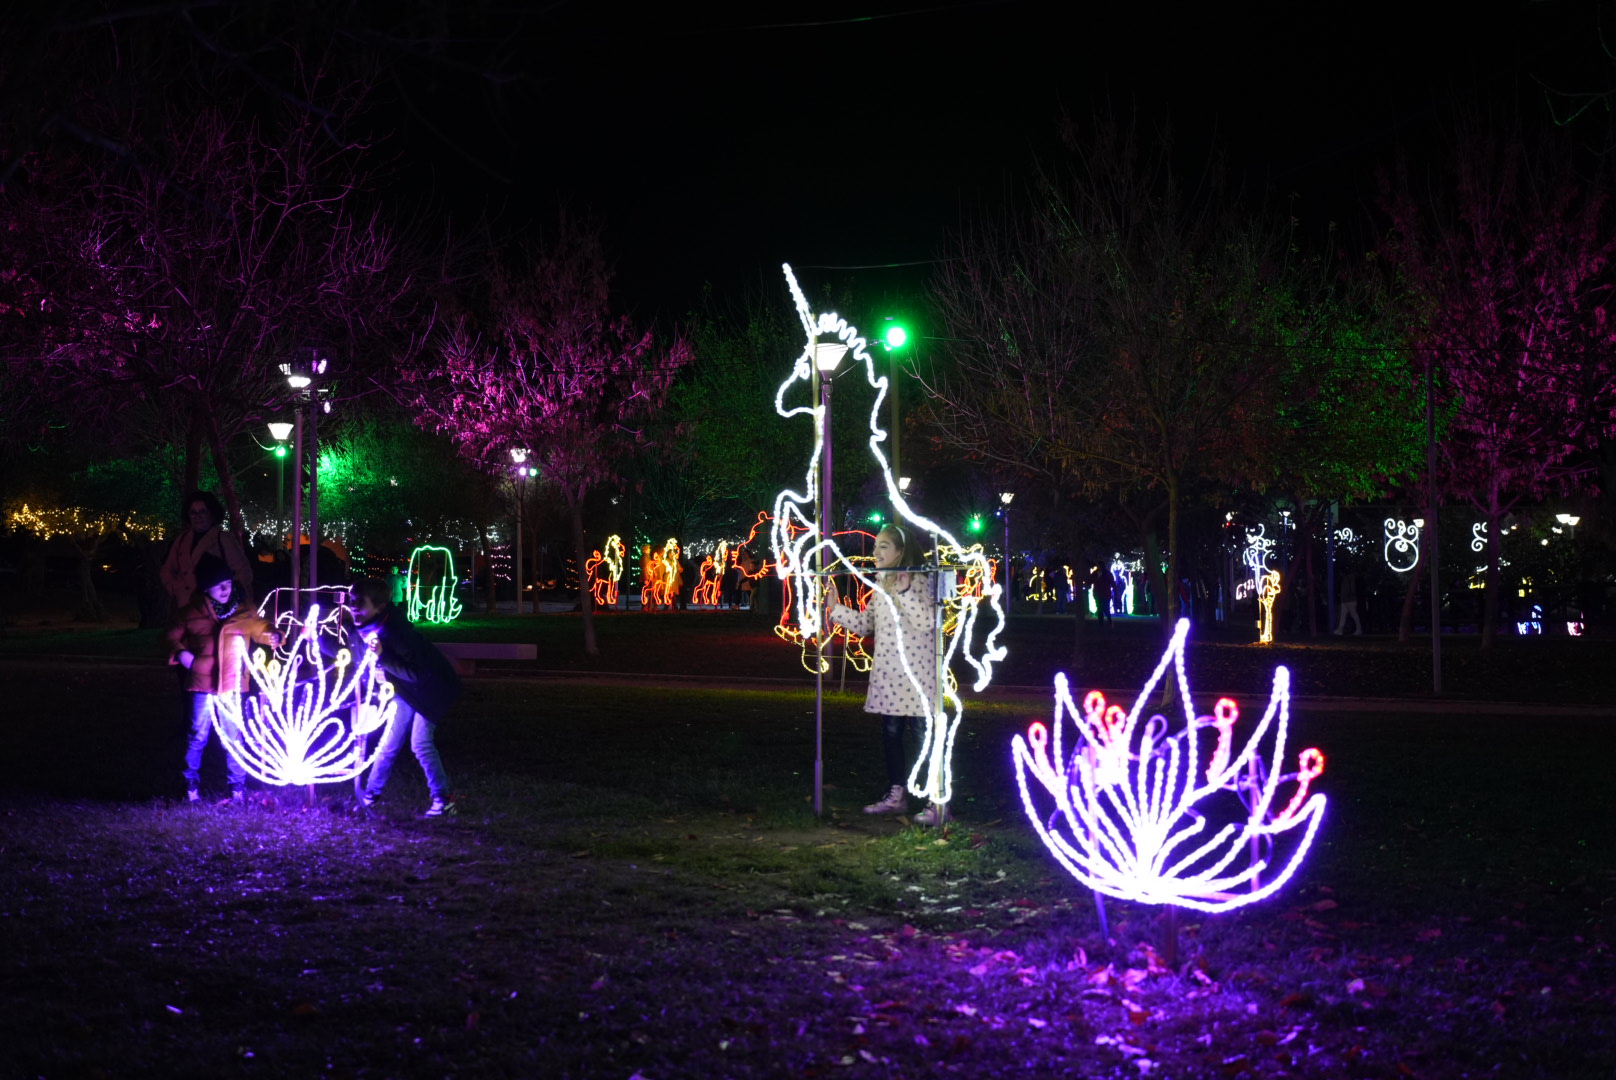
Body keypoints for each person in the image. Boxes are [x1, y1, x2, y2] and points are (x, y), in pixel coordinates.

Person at [827, 523, 946, 824]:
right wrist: (835, 609)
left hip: (918, 678)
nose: (876, 552)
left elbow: (926, 621)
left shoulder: (920, 580)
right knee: (891, 735)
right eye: (875, 546)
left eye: (884, 546)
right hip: (890, 678)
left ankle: (936, 801)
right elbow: (867, 625)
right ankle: (897, 795)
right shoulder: (880, 584)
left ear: (900, 552)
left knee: (924, 737)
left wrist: (904, 591)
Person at [165, 554, 279, 803]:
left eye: (228, 583)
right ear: (206, 588)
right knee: (197, 735)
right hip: (201, 684)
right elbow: (170, 636)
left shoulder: (244, 611)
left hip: (232, 684)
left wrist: (272, 634)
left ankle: (237, 785)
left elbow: (260, 628)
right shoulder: (190, 613)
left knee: (234, 737)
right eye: (219, 586)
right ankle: (190, 784)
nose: (226, 589)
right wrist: (181, 654)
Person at [347, 578, 461, 818]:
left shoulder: (396, 631)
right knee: (388, 742)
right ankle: (371, 795)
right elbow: (345, 651)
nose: (353, 607)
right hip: (405, 692)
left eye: (360, 602)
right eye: (351, 601)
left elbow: (417, 672)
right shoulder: (365, 628)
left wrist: (382, 656)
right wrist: (315, 638)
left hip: (431, 690)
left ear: (379, 606)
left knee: (420, 742)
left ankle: (443, 799)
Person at [160, 490, 253, 612]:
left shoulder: (223, 538)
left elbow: (244, 571)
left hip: (215, 610)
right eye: (193, 512)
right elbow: (167, 569)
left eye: (202, 512)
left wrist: (226, 595)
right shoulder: (182, 539)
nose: (197, 516)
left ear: (212, 513)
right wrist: (176, 589)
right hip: (186, 607)